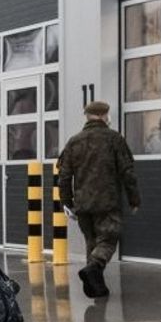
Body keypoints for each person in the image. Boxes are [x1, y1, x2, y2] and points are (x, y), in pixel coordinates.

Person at [56, 100, 141, 300]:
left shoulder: (74, 142)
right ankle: (93, 269)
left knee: (92, 242)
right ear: (104, 115)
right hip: (107, 201)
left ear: (87, 116)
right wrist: (134, 199)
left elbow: (64, 176)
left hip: (83, 204)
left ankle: (96, 288)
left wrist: (66, 202)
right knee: (109, 239)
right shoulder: (114, 139)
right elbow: (127, 172)